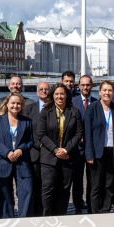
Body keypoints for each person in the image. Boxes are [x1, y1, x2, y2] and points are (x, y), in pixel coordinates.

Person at [36, 84, 83, 216]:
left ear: (67, 95)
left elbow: (79, 133)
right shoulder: (45, 111)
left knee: (64, 191)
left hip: (68, 159)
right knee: (48, 191)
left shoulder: (74, 111)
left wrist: (66, 150)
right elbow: (41, 134)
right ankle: (46, 218)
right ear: (52, 96)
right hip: (49, 159)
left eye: (62, 93)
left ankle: (60, 218)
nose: (59, 96)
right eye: (56, 94)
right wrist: (56, 150)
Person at [85, 81, 114, 213]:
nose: (107, 93)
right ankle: (95, 212)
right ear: (100, 92)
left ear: (113, 93)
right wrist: (89, 154)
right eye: (104, 90)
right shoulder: (92, 108)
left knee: (109, 185)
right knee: (96, 185)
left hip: (112, 152)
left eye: (109, 90)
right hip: (97, 153)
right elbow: (88, 133)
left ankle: (105, 211)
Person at [0, 93, 33, 218]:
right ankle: (5, 222)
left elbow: (31, 141)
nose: (15, 105)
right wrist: (7, 152)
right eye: (13, 103)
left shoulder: (27, 121)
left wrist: (21, 149)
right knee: (4, 195)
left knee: (27, 191)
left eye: (18, 103)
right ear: (7, 104)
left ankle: (24, 220)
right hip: (3, 161)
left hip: (22, 161)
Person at [21, 80, 49, 216]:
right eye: (41, 89)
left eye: (46, 89)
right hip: (34, 153)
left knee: (48, 186)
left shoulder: (55, 108)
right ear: (37, 92)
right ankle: (34, 213)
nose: (44, 91)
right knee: (34, 186)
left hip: (50, 154)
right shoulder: (29, 109)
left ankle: (46, 212)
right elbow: (25, 131)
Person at [71, 74, 96, 215]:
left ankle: (91, 204)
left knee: (92, 178)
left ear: (92, 86)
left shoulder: (97, 102)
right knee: (77, 179)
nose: (85, 87)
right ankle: (78, 205)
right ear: (79, 86)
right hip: (77, 148)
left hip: (91, 147)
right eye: (83, 85)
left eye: (88, 85)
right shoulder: (72, 102)